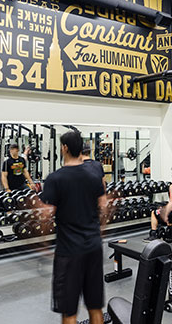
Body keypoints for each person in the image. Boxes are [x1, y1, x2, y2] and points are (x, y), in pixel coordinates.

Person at [38, 131, 108, 324]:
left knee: (69, 313)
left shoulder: (55, 178)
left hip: (69, 252)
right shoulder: (94, 176)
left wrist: (44, 242)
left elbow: (46, 216)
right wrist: (97, 231)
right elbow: (103, 206)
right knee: (95, 308)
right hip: (93, 248)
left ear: (65, 148)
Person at [144, 166, 172, 241]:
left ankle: (153, 235)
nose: (171, 175)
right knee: (164, 210)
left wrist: (165, 216)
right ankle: (170, 236)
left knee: (154, 213)